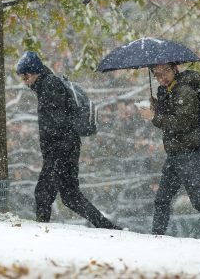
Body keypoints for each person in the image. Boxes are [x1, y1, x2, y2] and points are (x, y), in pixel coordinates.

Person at [16, 50, 121, 230]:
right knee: (70, 196)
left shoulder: (49, 85)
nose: (24, 82)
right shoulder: (47, 85)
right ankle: (106, 226)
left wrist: (53, 150)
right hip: (67, 147)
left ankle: (40, 232)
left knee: (43, 193)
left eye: (25, 77)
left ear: (34, 72)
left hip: (60, 149)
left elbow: (58, 121)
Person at [141, 62, 200, 241]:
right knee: (162, 199)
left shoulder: (184, 91)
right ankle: (156, 238)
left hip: (188, 154)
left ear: (174, 69)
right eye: (157, 75)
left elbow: (182, 122)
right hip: (175, 154)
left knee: (199, 201)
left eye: (165, 73)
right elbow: (170, 117)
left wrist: (154, 117)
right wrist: (156, 106)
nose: (161, 78)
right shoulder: (168, 91)